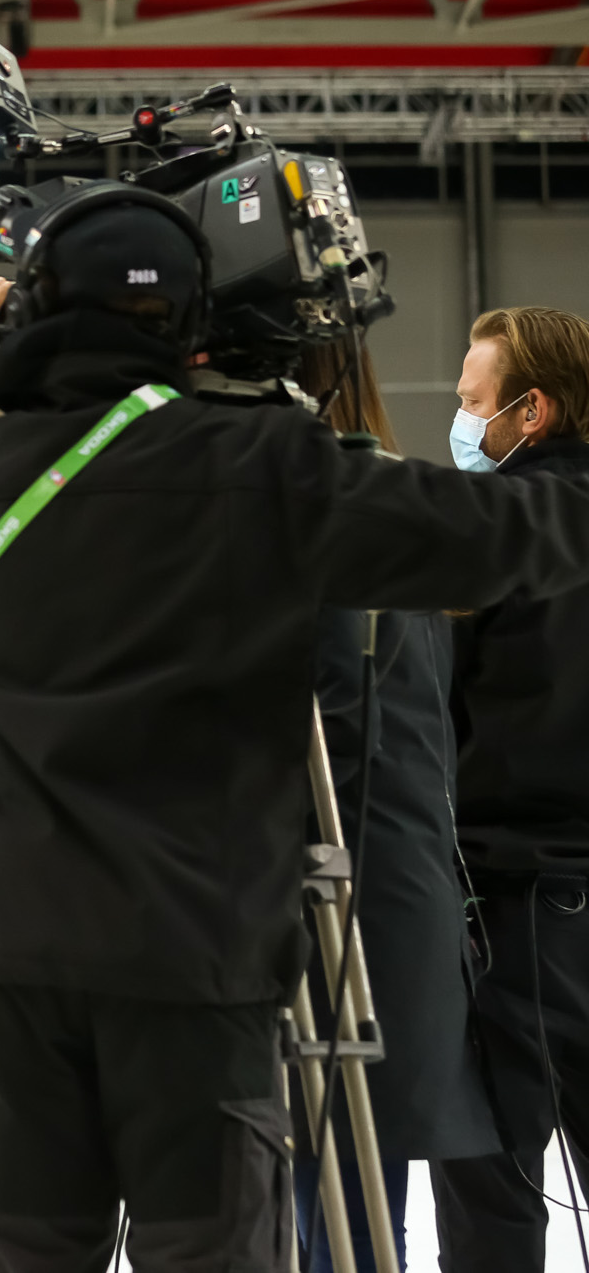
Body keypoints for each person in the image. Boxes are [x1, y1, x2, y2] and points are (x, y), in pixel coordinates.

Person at [0, 187, 589, 1271]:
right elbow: (498, 535)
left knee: (24, 1246)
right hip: (194, 953)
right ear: (192, 324)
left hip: (13, 955)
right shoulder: (264, 471)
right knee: (207, 1247)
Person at [290, 343, 501, 1272]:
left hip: (335, 905)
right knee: (357, 1202)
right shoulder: (401, 508)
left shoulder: (312, 520)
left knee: (338, 1208)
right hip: (392, 897)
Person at [433, 306, 589, 1269]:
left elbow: (433, 720)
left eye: (472, 402)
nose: (461, 421)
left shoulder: (486, 531)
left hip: (516, 905)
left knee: (493, 1186)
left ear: (530, 412)